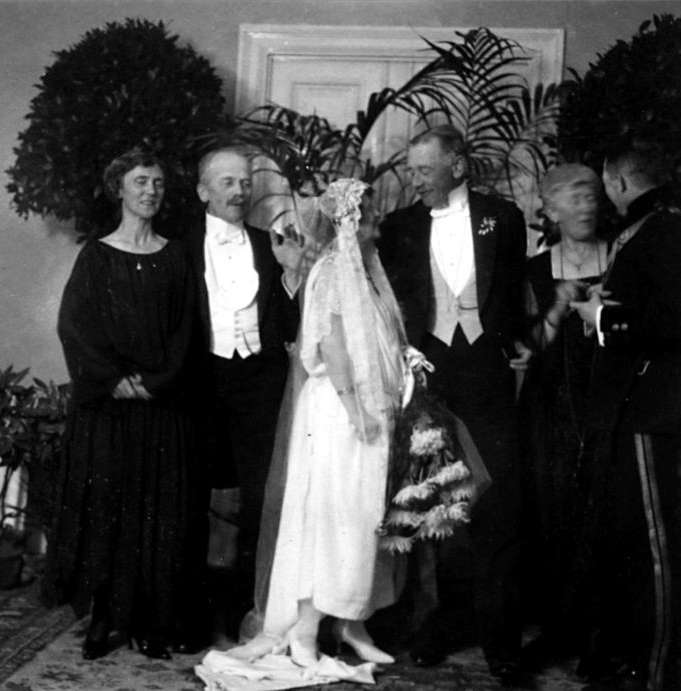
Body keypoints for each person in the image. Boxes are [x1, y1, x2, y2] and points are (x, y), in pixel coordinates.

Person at [227, 178, 404, 670]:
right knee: (332, 519)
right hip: (338, 413)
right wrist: (355, 410)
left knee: (363, 517)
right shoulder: (330, 271)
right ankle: (305, 627)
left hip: (368, 407)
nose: (377, 229)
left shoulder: (364, 270)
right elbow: (331, 344)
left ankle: (352, 621)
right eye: (369, 220)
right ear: (349, 224)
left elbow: (382, 338)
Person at [378, 124, 531, 683]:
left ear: (458, 166)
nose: (415, 180)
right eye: (412, 170)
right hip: (431, 375)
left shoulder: (503, 217)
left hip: (488, 374)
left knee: (498, 506)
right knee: (431, 505)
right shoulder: (401, 226)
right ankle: (431, 630)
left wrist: (518, 343)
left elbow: (514, 291)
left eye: (424, 170)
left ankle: (501, 643)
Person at [45, 147, 205, 661]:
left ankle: (152, 621)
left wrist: (156, 383)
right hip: (108, 412)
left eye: (157, 183)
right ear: (119, 188)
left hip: (163, 408)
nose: (150, 191)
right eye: (140, 181)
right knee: (109, 513)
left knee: (161, 516)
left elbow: (188, 329)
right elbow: (75, 326)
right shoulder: (96, 256)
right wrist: (113, 380)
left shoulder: (177, 256)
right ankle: (105, 617)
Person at [569, 138, 681, 691]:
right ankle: (635, 658)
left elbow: (673, 319)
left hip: (650, 410)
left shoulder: (663, 231)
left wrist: (601, 319)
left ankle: (659, 672)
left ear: (618, 182)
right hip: (630, 410)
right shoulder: (648, 228)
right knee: (633, 544)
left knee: (656, 548)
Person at [188, 146, 304, 638]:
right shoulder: (179, 248)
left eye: (244, 181)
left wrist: (292, 272)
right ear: (203, 191)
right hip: (201, 383)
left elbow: (294, 322)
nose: (240, 191)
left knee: (259, 498)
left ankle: (247, 607)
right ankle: (193, 613)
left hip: (260, 383)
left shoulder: (268, 244)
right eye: (228, 182)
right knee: (192, 496)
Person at [518, 163, 608, 656]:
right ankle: (559, 628)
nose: (587, 206)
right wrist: (555, 310)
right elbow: (528, 348)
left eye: (592, 196)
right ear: (551, 211)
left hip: (606, 405)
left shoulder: (619, 257)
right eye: (575, 198)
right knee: (553, 512)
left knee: (605, 511)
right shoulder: (535, 270)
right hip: (550, 410)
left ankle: (602, 631)